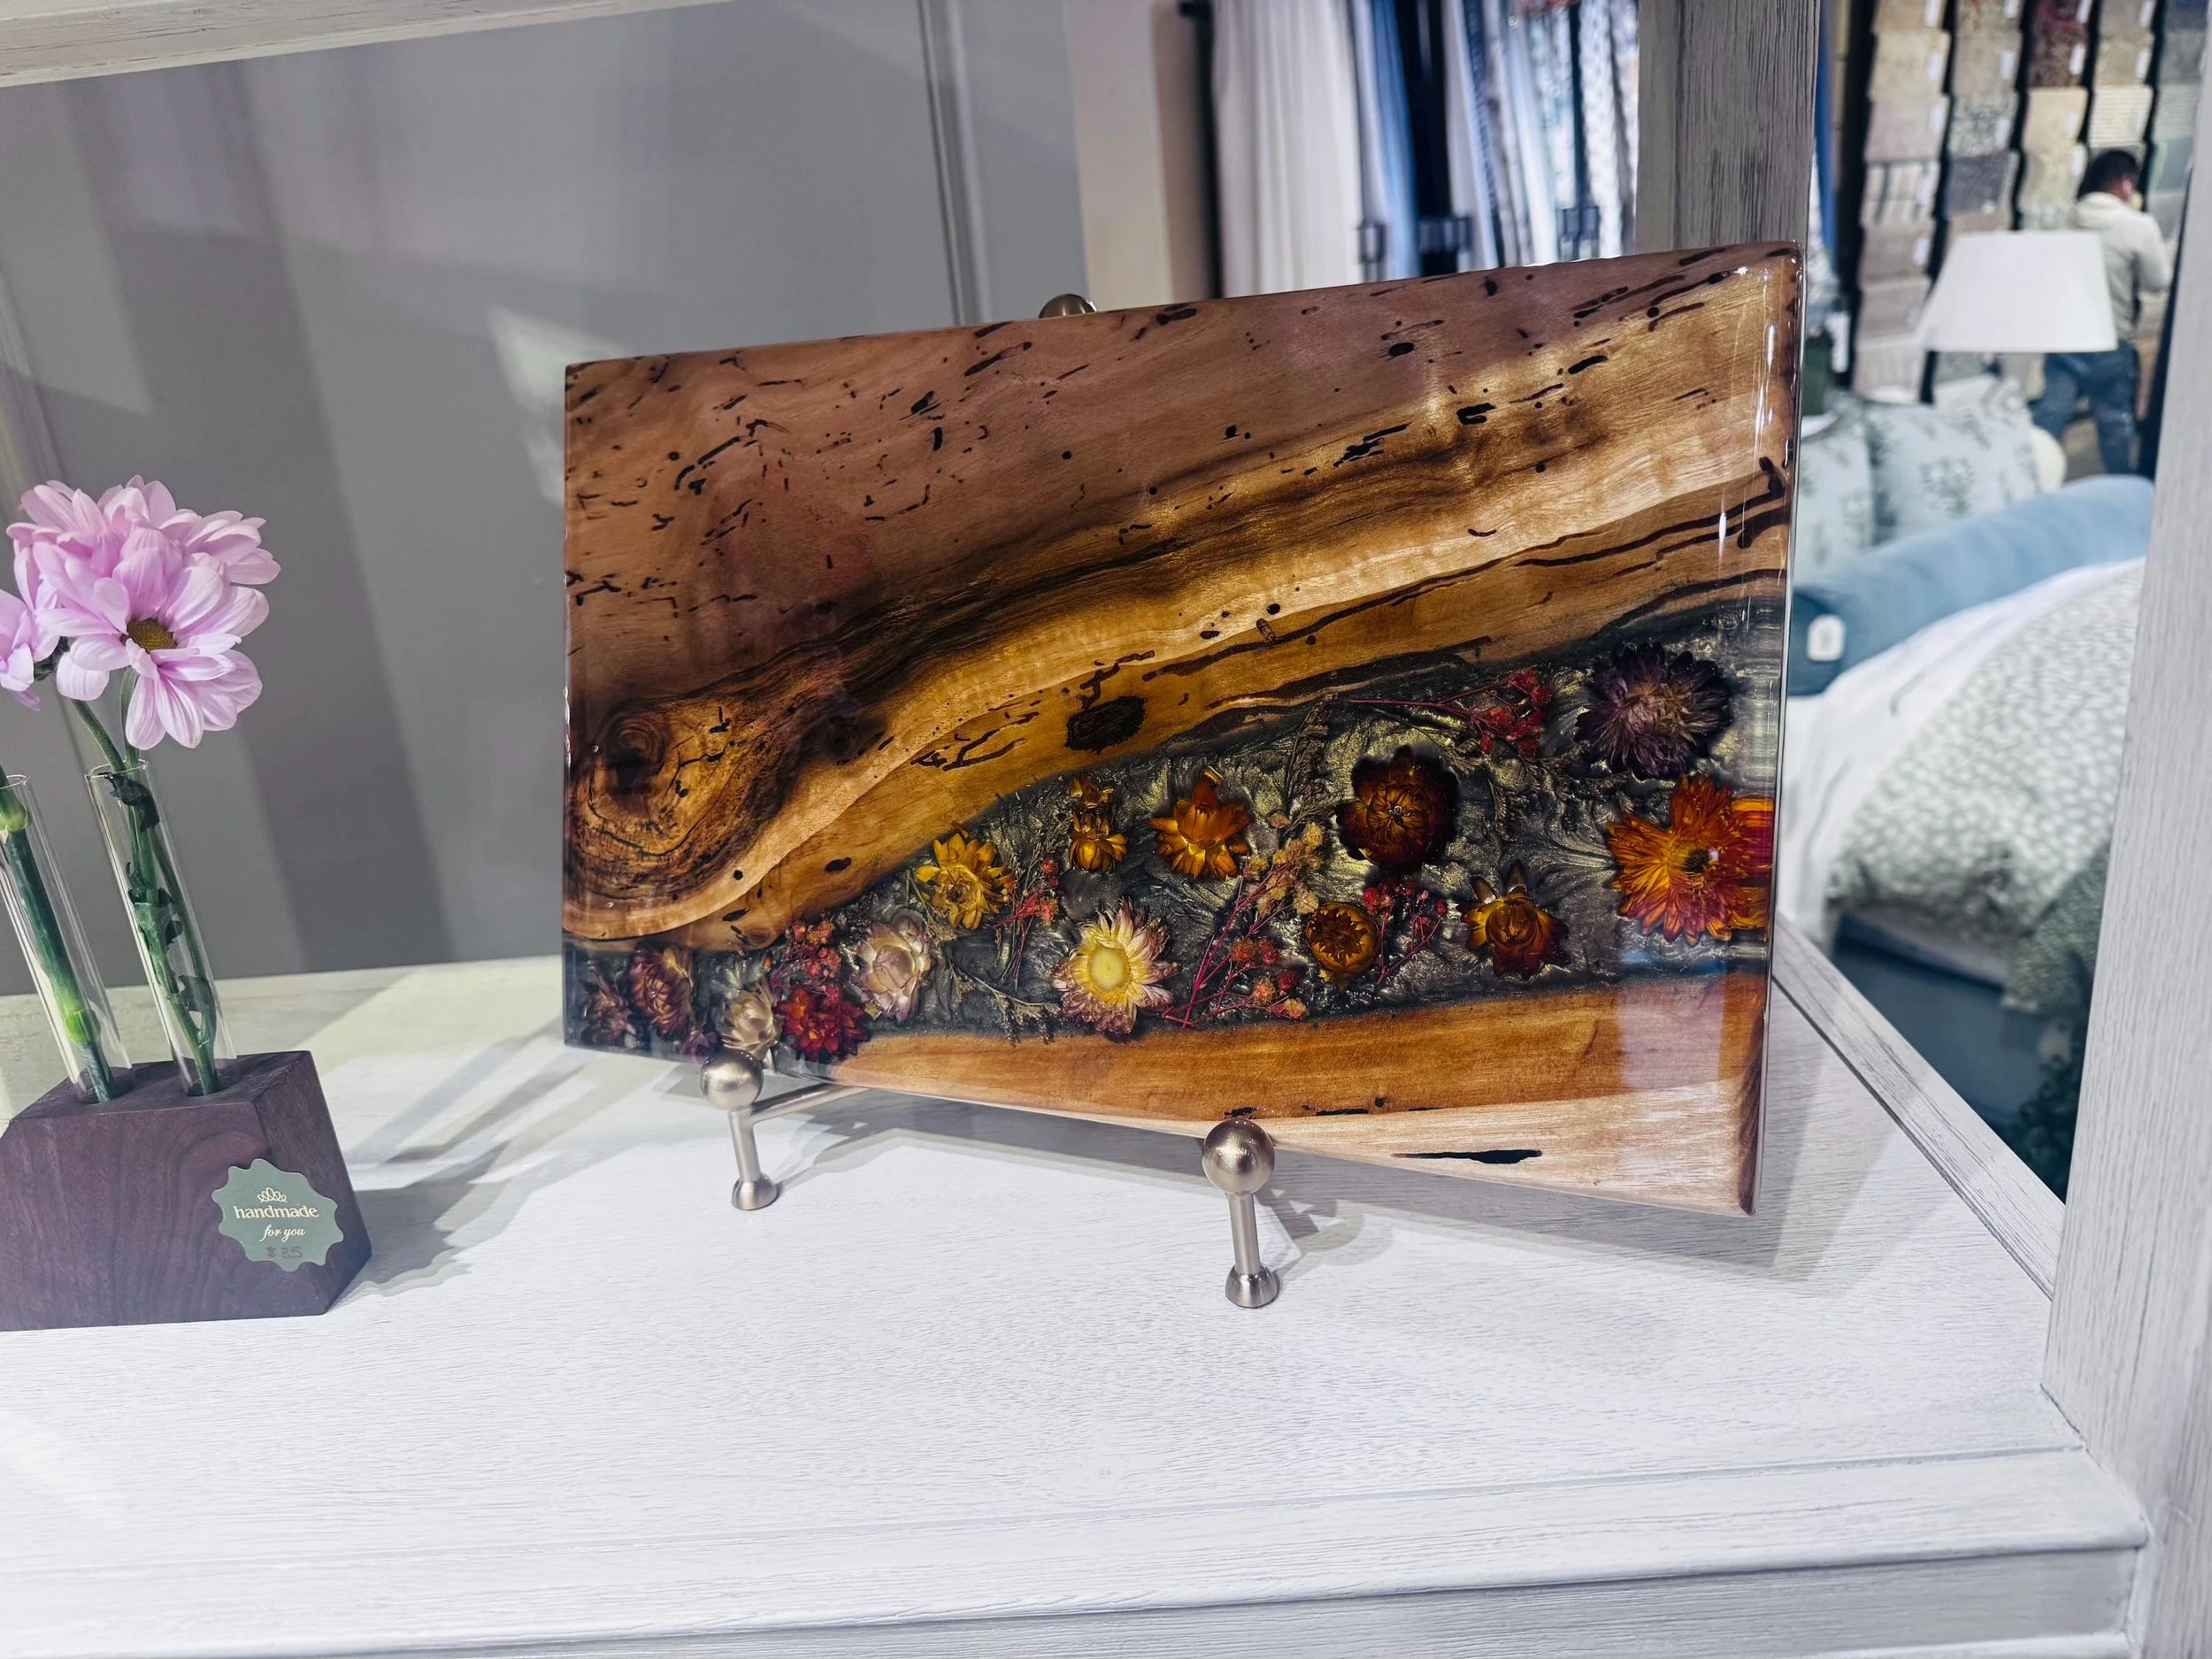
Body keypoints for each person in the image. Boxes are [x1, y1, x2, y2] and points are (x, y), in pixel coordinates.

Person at [2032, 150, 2173, 476]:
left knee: (2051, 417)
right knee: (2114, 423)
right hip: (2111, 340)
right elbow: (2159, 282)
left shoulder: (2063, 222)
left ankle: (2033, 481)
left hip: (2065, 339)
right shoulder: (2138, 227)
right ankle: (2121, 488)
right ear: (2126, 184)